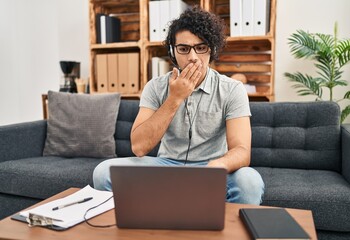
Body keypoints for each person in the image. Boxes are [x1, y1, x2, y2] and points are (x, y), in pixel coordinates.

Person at [93, 6, 264, 205]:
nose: (192, 57)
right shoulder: (155, 87)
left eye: (201, 47)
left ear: (212, 49)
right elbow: (139, 147)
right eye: (183, 49)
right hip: (166, 165)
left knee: (249, 181)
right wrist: (175, 98)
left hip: (213, 167)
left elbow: (242, 150)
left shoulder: (233, 89)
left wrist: (217, 166)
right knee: (103, 172)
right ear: (173, 52)